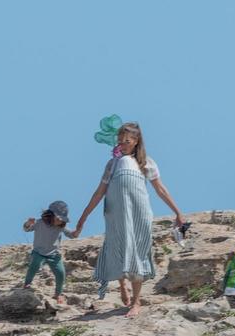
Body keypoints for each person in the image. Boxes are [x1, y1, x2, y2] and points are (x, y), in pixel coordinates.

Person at [70, 121, 187, 319]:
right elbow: (100, 192)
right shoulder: (113, 164)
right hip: (115, 212)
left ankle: (136, 301)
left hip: (139, 212)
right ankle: (123, 285)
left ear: (135, 141)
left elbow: (160, 189)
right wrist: (83, 217)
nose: (121, 145)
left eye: (125, 141)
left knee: (137, 251)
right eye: (119, 141)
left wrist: (178, 212)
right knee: (117, 247)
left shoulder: (146, 162)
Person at [21, 201, 70, 305]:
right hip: (38, 252)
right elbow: (27, 229)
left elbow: (71, 234)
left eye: (62, 219)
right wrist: (28, 223)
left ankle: (58, 294)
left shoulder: (61, 227)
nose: (60, 220)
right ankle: (27, 284)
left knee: (61, 273)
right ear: (50, 216)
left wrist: (76, 232)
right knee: (34, 266)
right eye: (58, 218)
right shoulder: (39, 223)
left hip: (54, 254)